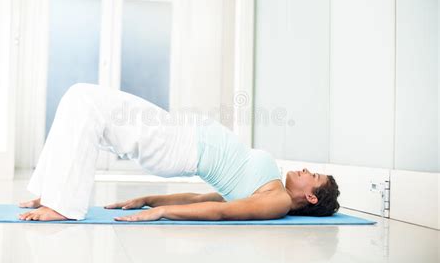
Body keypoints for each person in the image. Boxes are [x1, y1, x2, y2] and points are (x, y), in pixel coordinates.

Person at [18, 83, 340, 222]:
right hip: (177, 135)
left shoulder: (278, 201)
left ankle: (62, 205)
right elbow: (207, 200)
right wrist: (150, 199)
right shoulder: (270, 189)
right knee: (79, 98)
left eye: (312, 176)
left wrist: (162, 213)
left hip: (177, 145)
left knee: (87, 101)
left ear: (311, 197)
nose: (304, 170)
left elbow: (222, 214)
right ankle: (51, 192)